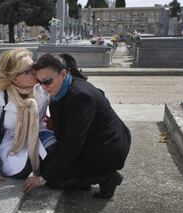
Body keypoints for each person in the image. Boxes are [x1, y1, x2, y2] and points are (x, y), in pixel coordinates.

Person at [23, 53, 131, 199]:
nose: (44, 87)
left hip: (107, 150)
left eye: (47, 81)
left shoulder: (81, 96)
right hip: (92, 142)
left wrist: (42, 179)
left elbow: (72, 145)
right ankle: (84, 179)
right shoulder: (63, 87)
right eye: (39, 82)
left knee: (53, 180)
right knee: (50, 167)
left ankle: (107, 176)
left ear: (63, 73)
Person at [0, 48, 53, 184]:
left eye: (33, 68)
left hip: (37, 134)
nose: (34, 73)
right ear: (13, 77)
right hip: (12, 143)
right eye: (27, 72)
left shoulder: (41, 87)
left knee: (54, 148)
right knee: (22, 169)